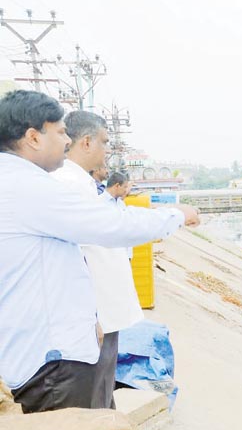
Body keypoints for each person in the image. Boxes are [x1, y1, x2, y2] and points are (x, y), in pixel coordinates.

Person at [0, 90, 199, 413]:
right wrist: (175, 216)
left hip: (43, 349)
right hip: (49, 364)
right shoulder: (32, 188)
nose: (67, 141)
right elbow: (110, 225)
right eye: (61, 131)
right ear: (33, 137)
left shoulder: (20, 182)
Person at [52, 111, 146, 410]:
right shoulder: (68, 183)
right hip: (96, 315)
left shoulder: (82, 183)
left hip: (104, 311)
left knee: (103, 387)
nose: (108, 150)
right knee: (95, 392)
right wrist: (89, 316)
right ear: (87, 142)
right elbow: (70, 257)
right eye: (105, 142)